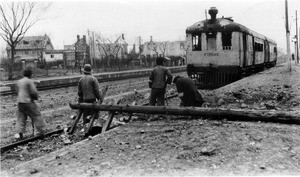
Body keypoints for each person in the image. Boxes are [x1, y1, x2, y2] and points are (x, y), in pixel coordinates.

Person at [14, 67, 47, 139]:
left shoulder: (19, 81)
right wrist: (36, 97)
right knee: (37, 115)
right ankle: (42, 131)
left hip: (20, 103)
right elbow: (34, 92)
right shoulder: (29, 81)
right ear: (30, 75)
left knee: (21, 118)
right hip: (28, 102)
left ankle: (20, 134)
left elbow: (16, 91)